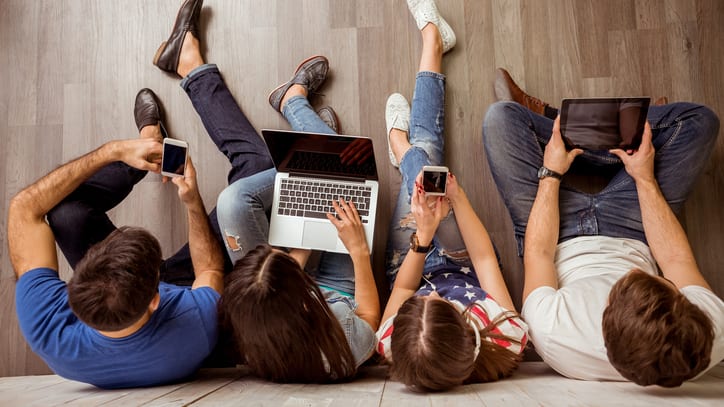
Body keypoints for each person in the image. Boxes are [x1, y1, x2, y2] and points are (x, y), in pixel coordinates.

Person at [8, 0, 269, 388]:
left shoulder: (48, 329)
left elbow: (24, 208)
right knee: (260, 173)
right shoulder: (193, 325)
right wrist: (192, 201)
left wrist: (114, 151)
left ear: (73, 291)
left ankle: (149, 145)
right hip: (189, 287)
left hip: (128, 296)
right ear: (155, 297)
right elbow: (209, 272)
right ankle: (189, 65)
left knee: (65, 214)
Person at [484, 70, 724, 386]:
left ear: (604, 322)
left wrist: (552, 172)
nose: (636, 271)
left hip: (559, 235)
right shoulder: (707, 332)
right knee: (700, 121)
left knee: (501, 119)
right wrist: (644, 177)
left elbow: (539, 254)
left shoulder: (555, 335)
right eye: (656, 282)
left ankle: (568, 127)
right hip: (636, 228)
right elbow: (676, 261)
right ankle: (628, 139)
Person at [374, 0, 528, 392]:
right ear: (464, 326)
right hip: (462, 259)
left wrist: (423, 239)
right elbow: (483, 258)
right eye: (442, 304)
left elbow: (407, 289)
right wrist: (457, 199)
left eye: (418, 310)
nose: (434, 295)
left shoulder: (394, 344)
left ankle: (404, 148)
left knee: (424, 169)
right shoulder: (505, 335)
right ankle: (402, 146)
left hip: (410, 258)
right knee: (429, 172)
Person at [214, 55, 380, 383]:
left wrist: (300, 248)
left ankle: (315, 148)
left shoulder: (247, 321)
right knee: (350, 177)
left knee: (232, 201)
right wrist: (359, 251)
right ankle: (300, 115)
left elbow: (272, 277)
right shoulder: (340, 345)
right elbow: (369, 318)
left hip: (275, 289)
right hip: (341, 292)